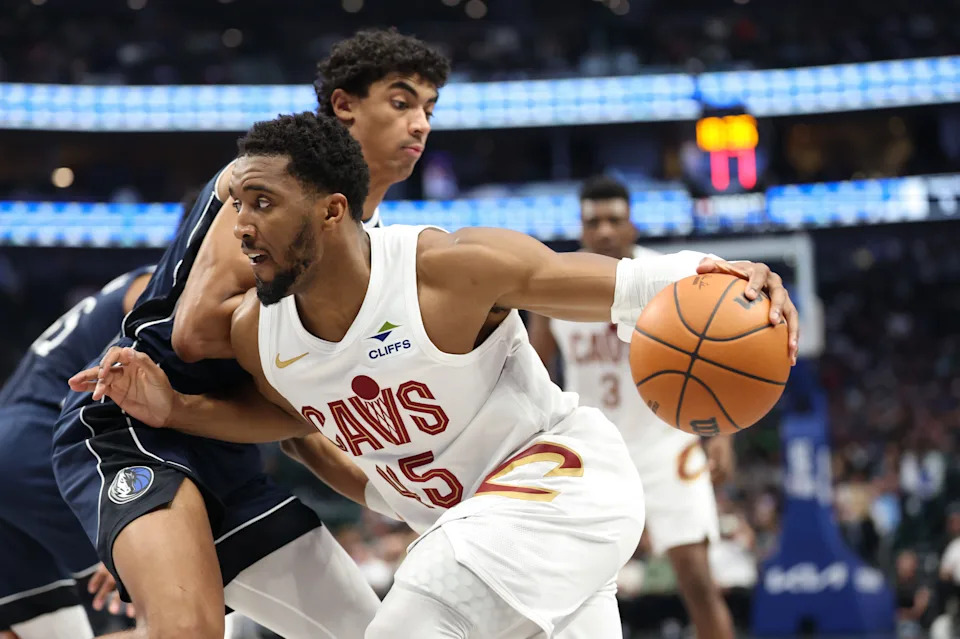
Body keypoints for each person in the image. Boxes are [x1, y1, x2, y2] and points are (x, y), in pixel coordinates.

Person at [77, 111, 801, 638]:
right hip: (479, 527)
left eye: (261, 202)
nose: (239, 225)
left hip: (563, 484)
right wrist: (173, 409)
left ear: (332, 210)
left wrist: (723, 273)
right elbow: (290, 417)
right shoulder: (262, 334)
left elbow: (611, 284)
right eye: (236, 204)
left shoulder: (443, 272)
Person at [52, 29, 449, 639]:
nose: (420, 123)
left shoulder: (368, 240)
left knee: (375, 633)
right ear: (345, 106)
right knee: (189, 630)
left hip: (221, 444)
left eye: (429, 108)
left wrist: (405, 502)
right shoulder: (269, 177)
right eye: (402, 103)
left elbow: (301, 423)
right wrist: (334, 352)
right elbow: (197, 332)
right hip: (132, 425)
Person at [526, 176, 736, 639]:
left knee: (699, 583)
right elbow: (535, 371)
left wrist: (721, 433)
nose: (603, 230)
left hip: (667, 446)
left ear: (632, 227)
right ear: (581, 230)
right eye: (593, 221)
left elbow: (723, 359)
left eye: (614, 220)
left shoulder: (667, 278)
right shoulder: (554, 285)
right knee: (568, 591)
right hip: (593, 451)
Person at [0, 268, 150, 639]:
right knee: (179, 613)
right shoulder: (160, 286)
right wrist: (119, 535)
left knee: (46, 630)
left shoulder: (132, 283)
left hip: (14, 451)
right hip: (42, 453)